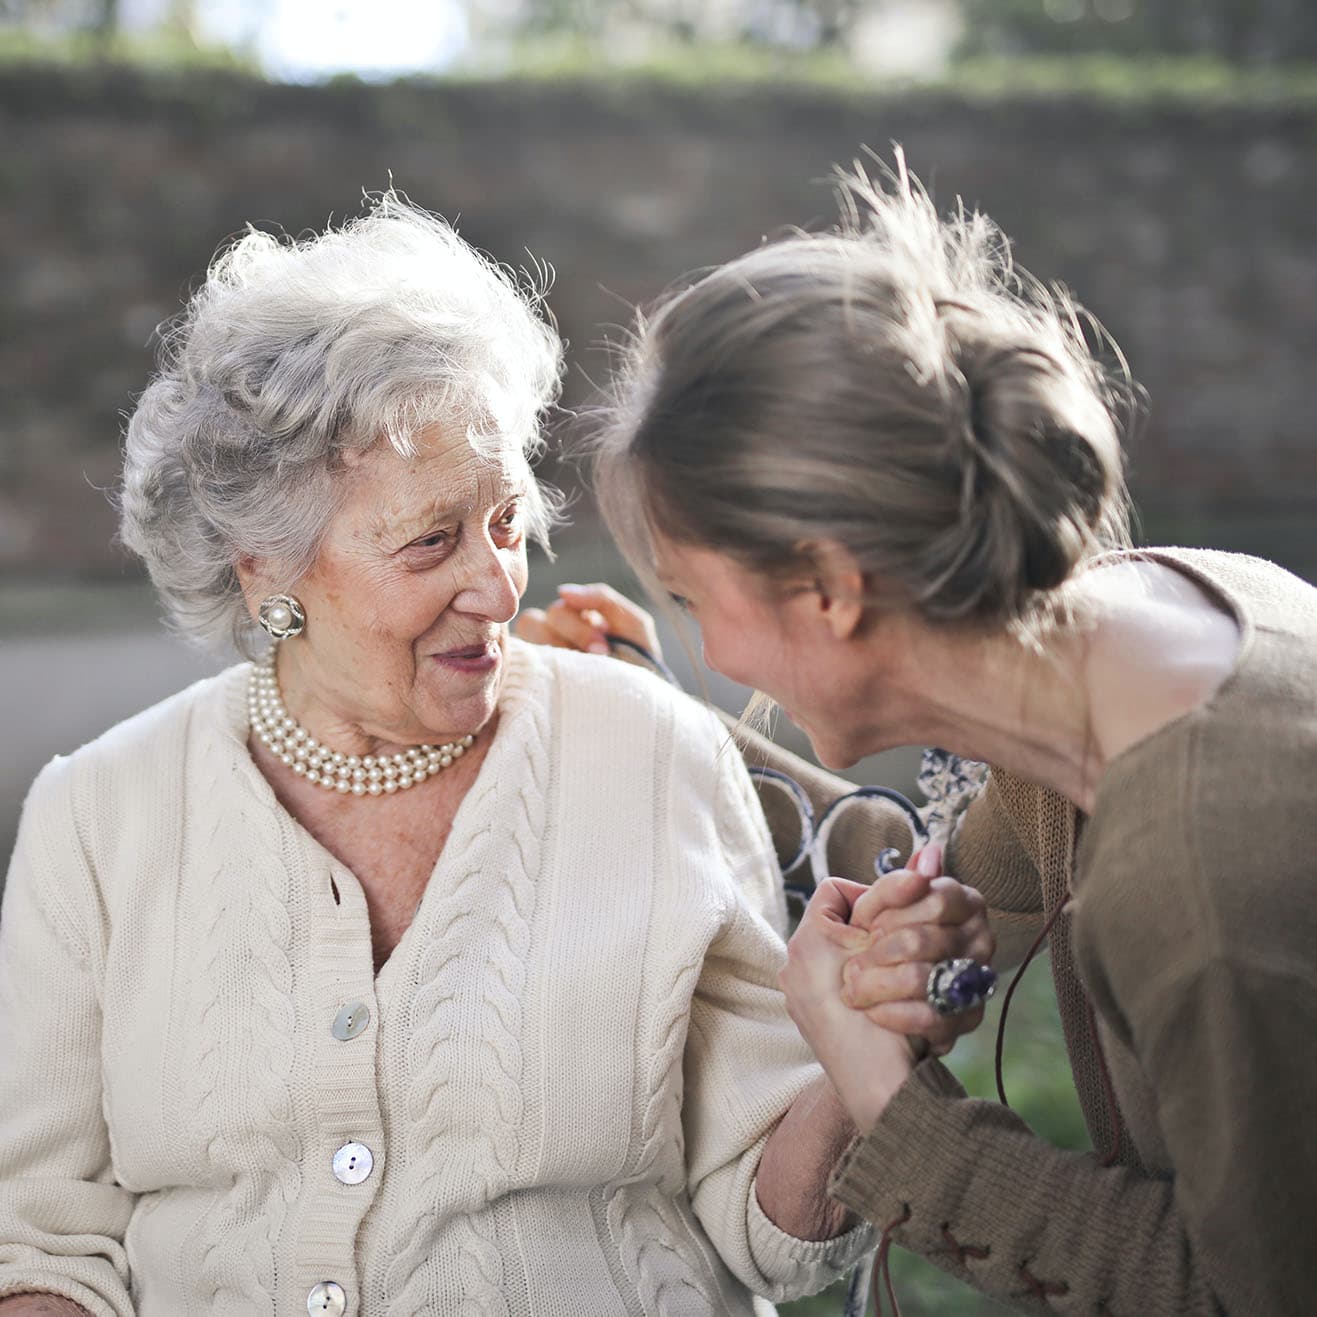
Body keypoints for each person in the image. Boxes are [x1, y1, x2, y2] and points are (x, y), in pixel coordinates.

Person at [0, 197, 996, 1316]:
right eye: (432, 540)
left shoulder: (647, 753)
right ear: (264, 569)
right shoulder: (98, 814)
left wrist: (856, 1055)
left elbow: (771, 1232)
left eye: (509, 522)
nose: (497, 585)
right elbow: (41, 1245)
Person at [520, 157, 1317, 1313]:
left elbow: (1255, 1293)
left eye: (695, 602)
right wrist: (644, 702)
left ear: (832, 593)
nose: (719, 654)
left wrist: (896, 1114)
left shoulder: (1196, 879)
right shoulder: (1158, 619)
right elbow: (941, 861)